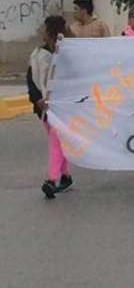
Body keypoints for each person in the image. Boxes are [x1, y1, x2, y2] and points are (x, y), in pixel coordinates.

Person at [28, 16, 74, 199]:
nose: (41, 30)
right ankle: (65, 176)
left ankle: (52, 179)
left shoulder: (65, 54)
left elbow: (71, 78)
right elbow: (31, 78)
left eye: (44, 28)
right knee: (58, 142)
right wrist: (37, 99)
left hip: (60, 106)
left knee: (55, 142)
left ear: (50, 32)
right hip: (43, 107)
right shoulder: (38, 54)